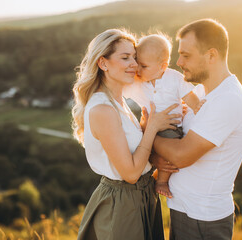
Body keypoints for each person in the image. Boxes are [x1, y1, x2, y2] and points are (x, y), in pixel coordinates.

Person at [72, 28, 180, 240]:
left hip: (143, 196)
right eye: (125, 58)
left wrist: (147, 133)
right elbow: (130, 174)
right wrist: (151, 129)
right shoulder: (102, 109)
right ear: (103, 64)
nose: (134, 64)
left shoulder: (119, 101)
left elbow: (132, 150)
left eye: (135, 57)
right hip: (121, 203)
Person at [151, 19, 242, 240]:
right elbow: (173, 141)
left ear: (211, 55)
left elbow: (180, 155)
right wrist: (157, 154)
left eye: (186, 55)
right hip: (184, 209)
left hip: (204, 219)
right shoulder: (198, 93)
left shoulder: (229, 99)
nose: (178, 62)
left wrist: (148, 130)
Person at [123, 33, 204, 198]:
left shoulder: (174, 78)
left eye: (144, 66)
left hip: (169, 126)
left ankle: (161, 181)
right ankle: (146, 175)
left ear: (162, 66)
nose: (138, 69)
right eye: (137, 64)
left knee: (170, 149)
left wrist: (197, 106)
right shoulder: (139, 82)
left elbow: (188, 96)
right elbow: (120, 89)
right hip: (147, 129)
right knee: (137, 145)